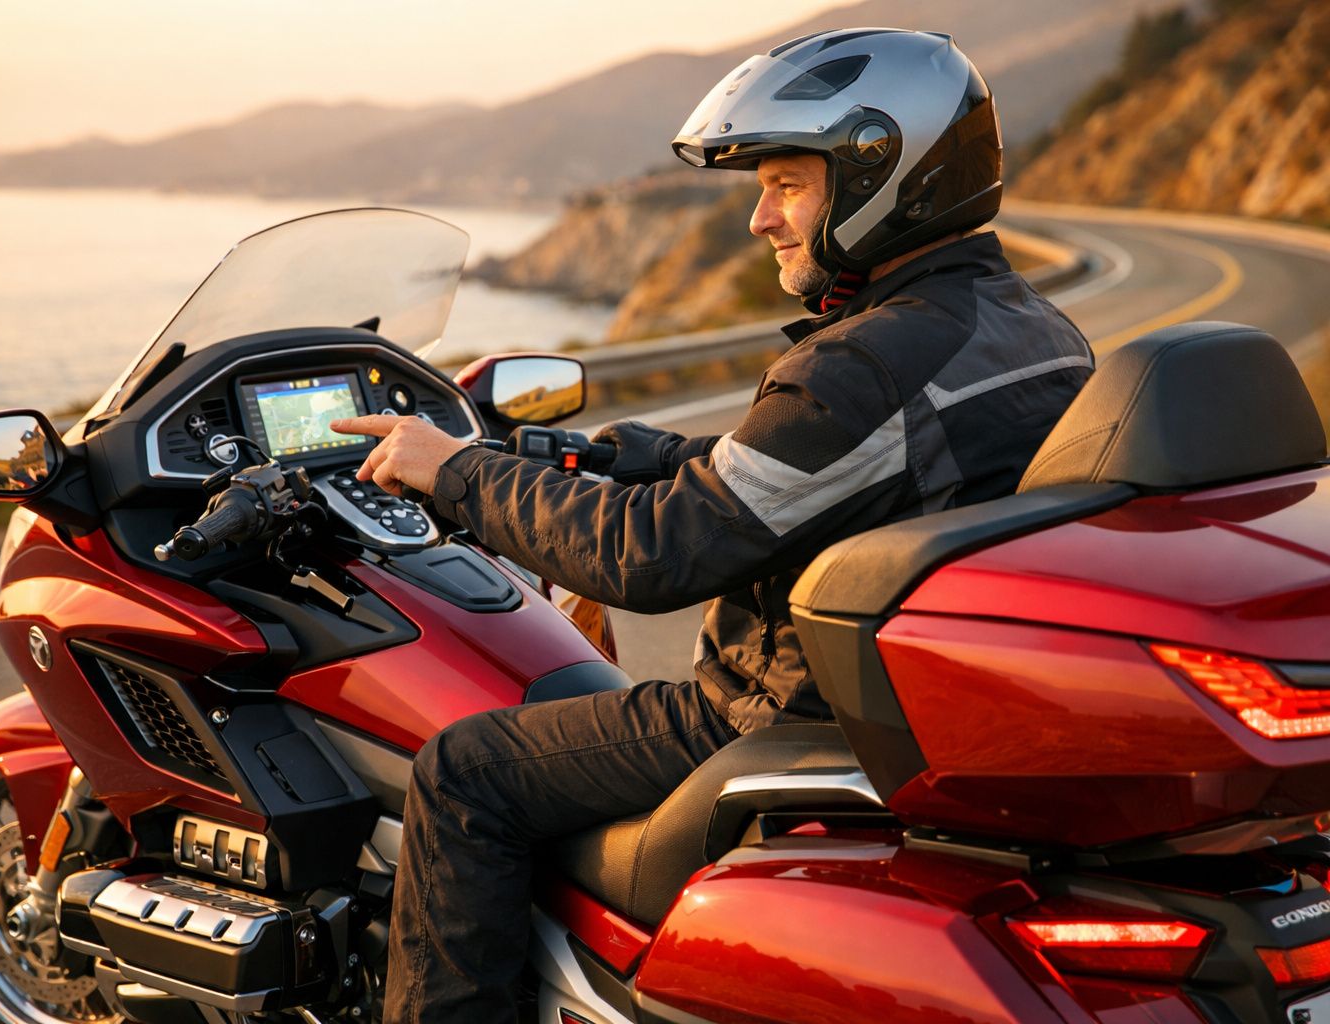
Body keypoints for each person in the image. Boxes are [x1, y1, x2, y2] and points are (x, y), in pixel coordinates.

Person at [330, 27, 1094, 1023]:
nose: (760, 219)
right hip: (920, 705)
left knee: (464, 770)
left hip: (775, 711)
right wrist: (628, 452)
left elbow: (654, 554)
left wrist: (458, 472)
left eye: (786, 184)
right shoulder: (1028, 322)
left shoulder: (865, 363)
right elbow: (811, 482)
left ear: (880, 174)